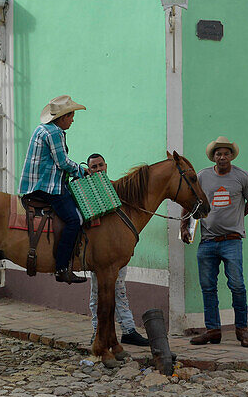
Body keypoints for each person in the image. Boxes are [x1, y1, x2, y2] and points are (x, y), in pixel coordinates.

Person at [183, 136, 248, 348]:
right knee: (208, 288)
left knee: (237, 286)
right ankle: (213, 331)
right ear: (213, 157)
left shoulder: (242, 177)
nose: (222, 157)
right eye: (218, 154)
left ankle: (242, 330)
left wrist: (239, 217)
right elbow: (192, 200)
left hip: (232, 241)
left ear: (231, 156)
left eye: (226, 153)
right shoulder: (203, 176)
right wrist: (184, 225)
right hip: (207, 241)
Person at [18, 95, 89, 284]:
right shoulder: (55, 133)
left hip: (35, 184)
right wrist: (82, 171)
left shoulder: (42, 129)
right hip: (47, 187)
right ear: (63, 117)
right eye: (71, 116)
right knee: (74, 220)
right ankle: (62, 267)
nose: (73, 120)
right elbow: (63, 162)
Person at [85, 153, 150, 347]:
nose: (98, 170)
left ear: (106, 166)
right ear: (88, 170)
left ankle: (127, 330)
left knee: (119, 289)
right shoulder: (86, 190)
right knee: (97, 291)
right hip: (99, 252)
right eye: (94, 167)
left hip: (118, 250)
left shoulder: (116, 188)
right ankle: (98, 331)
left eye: (100, 166)